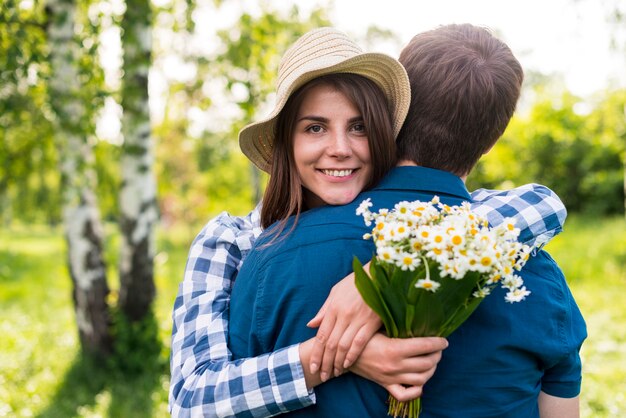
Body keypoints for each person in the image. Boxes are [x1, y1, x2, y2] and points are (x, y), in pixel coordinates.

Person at [169, 27, 570, 417]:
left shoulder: (415, 222)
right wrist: (334, 354)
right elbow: (190, 401)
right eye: (315, 127)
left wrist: (383, 275)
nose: (340, 149)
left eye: (358, 127)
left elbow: (543, 204)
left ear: (386, 135)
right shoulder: (234, 241)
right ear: (285, 143)